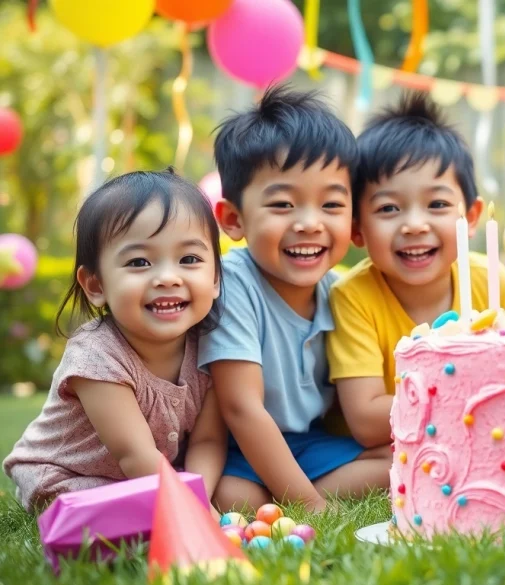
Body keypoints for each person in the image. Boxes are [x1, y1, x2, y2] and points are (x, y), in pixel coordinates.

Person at [199, 85, 389, 513]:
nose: (309, 223)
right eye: (283, 204)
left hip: (310, 444)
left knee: (400, 464)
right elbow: (241, 408)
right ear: (233, 219)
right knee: (236, 496)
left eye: (331, 204)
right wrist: (310, 505)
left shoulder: (342, 289)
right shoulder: (232, 284)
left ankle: (289, 490)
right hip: (241, 445)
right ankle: (292, 492)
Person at [4, 170, 225, 512]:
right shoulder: (97, 355)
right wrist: (192, 510)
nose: (168, 277)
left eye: (189, 259)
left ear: (215, 277)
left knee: (231, 490)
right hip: (69, 477)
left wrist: (198, 495)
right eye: (139, 262)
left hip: (148, 476)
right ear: (95, 285)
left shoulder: (210, 346)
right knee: (116, 514)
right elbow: (134, 456)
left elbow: (209, 440)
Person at [325, 92, 505, 446]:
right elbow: (366, 421)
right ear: (356, 229)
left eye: (437, 204)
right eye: (389, 209)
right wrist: (473, 394)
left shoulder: (493, 282)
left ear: (471, 217)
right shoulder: (352, 299)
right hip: (387, 450)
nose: (414, 225)